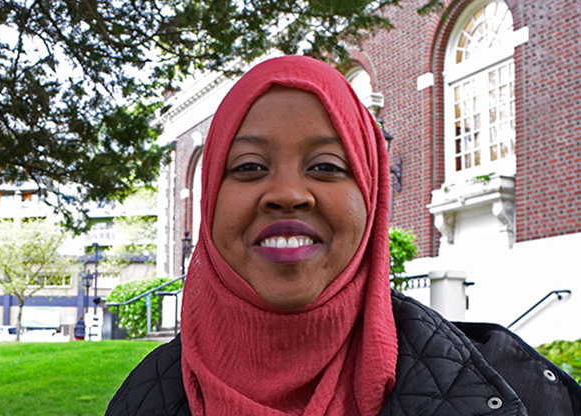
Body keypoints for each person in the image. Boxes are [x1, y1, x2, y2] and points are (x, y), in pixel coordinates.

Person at [106, 56, 581, 415]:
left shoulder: (518, 393)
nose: (288, 194)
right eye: (248, 166)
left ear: (371, 196)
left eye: (327, 166)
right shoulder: (142, 398)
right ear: (210, 196)